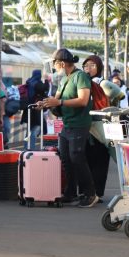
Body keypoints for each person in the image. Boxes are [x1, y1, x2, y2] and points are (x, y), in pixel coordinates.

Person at [40, 49, 98, 208]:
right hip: (67, 125)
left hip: (79, 124)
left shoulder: (81, 77)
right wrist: (44, 103)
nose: (55, 69)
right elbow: (56, 99)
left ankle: (90, 193)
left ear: (62, 64)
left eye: (56, 66)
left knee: (77, 157)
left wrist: (59, 103)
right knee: (66, 158)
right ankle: (71, 192)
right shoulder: (65, 79)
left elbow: (83, 100)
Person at [82, 55, 113, 201]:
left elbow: (117, 96)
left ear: (99, 67)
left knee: (100, 160)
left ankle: (98, 192)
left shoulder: (103, 83)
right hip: (85, 126)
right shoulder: (81, 81)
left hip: (101, 125)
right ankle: (87, 191)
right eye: (86, 65)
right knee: (87, 159)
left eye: (93, 65)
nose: (88, 68)